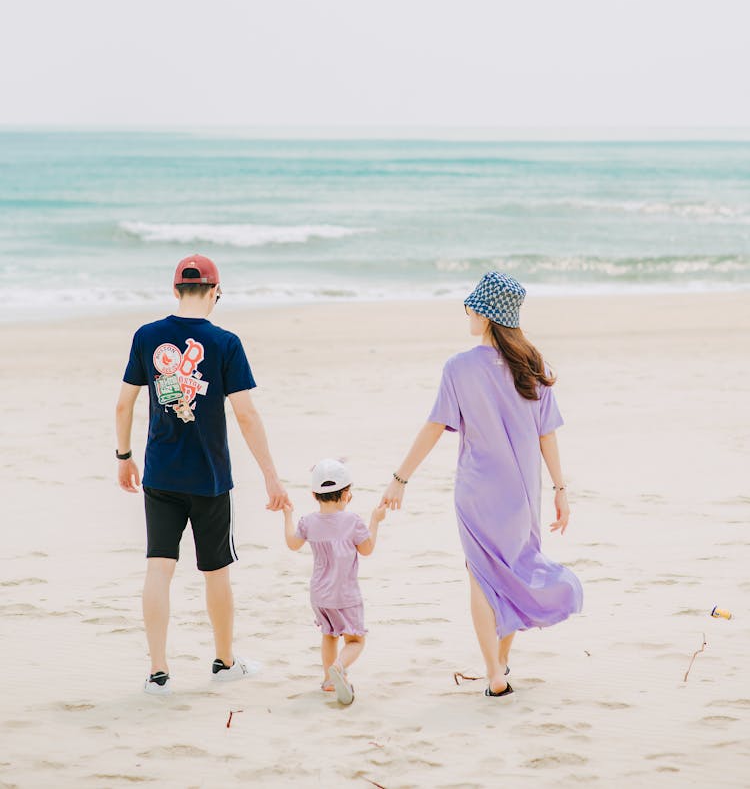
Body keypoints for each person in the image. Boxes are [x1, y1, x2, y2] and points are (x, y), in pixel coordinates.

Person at [382, 271, 583, 698]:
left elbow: (435, 425)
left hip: (476, 491)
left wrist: (400, 479)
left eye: (472, 306)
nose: (467, 313)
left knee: (481, 575)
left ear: (487, 314)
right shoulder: (535, 366)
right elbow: (548, 434)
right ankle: (501, 665)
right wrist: (560, 490)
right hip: (524, 493)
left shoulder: (459, 367)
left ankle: (494, 671)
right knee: (512, 572)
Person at [115, 253, 289, 695]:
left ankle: (158, 674)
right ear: (216, 293)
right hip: (211, 479)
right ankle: (224, 662)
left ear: (175, 290)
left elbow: (124, 403)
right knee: (216, 572)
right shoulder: (227, 343)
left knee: (159, 567)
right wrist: (271, 475)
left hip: (160, 476)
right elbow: (246, 415)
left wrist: (124, 456)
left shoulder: (148, 336)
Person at [282, 458, 386, 705]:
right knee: (355, 639)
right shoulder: (353, 522)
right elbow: (367, 548)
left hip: (319, 594)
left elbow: (292, 544)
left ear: (314, 494)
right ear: (346, 494)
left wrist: (287, 515)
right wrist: (375, 521)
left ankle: (329, 681)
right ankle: (338, 668)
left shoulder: (308, 521)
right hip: (345, 594)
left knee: (329, 634)